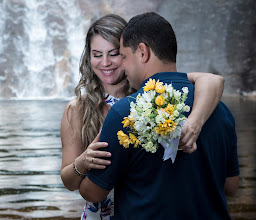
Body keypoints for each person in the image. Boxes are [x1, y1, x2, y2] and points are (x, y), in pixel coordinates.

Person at [61, 14, 226, 219]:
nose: (105, 63)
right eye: (96, 54)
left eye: (114, 54)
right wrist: (83, 161)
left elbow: (213, 80)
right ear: (88, 57)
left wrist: (195, 122)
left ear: (132, 53)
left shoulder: (155, 95)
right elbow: (68, 181)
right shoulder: (77, 108)